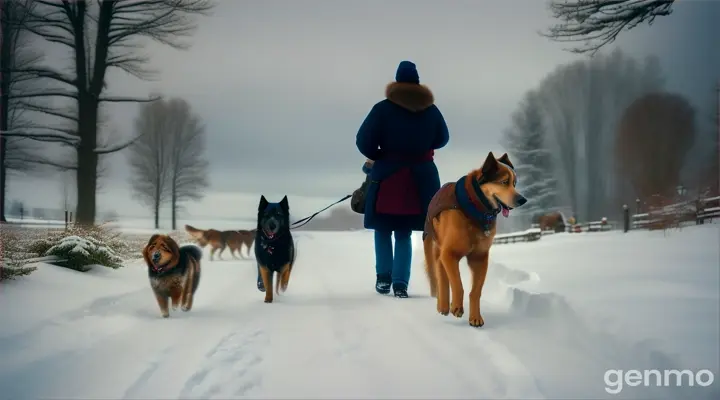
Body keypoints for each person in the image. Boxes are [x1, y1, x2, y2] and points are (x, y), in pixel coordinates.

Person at [355, 60, 449, 298]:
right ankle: (400, 284)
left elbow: (363, 140)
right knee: (405, 232)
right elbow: (443, 138)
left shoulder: (382, 109)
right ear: (417, 82)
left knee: (383, 228)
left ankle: (383, 280)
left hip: (388, 175)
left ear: (396, 82)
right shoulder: (432, 110)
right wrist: (422, 148)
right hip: (422, 177)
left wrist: (380, 155)